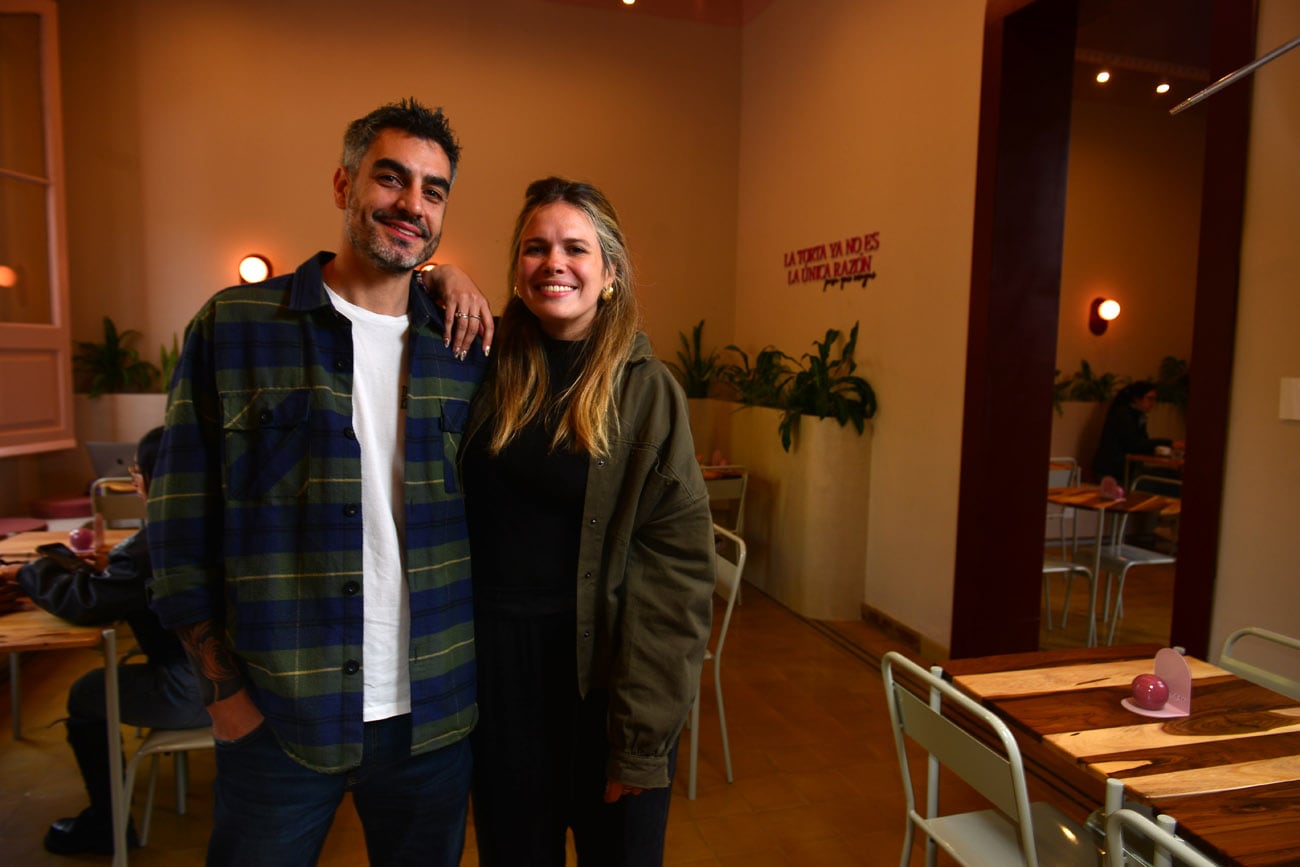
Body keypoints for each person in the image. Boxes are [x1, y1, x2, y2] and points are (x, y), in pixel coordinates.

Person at [146, 98, 491, 866]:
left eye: (433, 190)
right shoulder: (235, 328)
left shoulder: (466, 350)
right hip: (279, 711)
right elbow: (176, 531)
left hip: (433, 720)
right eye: (391, 178)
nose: (411, 203)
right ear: (343, 184)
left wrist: (446, 276)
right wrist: (223, 693)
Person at [460, 177, 715, 865]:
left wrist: (639, 741)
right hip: (500, 699)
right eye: (535, 247)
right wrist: (438, 274)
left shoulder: (647, 390)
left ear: (610, 271)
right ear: (517, 266)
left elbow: (678, 583)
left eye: (576, 248)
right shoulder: (480, 370)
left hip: (604, 695)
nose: (554, 263)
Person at [7, 427, 210, 856]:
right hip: (250, 684)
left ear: (152, 480)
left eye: (138, 471)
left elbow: (87, 603)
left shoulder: (153, 545)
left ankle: (106, 822)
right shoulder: (222, 523)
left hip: (197, 691)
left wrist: (33, 571)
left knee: (86, 691)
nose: (134, 479)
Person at [1091, 380, 1176, 483]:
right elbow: (1135, 445)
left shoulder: (1139, 416)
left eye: (1154, 399)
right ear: (1136, 399)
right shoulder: (1123, 415)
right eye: (1149, 399)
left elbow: (1142, 442)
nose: (1152, 403)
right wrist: (1169, 443)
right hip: (1112, 471)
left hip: (1124, 469)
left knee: (1168, 475)